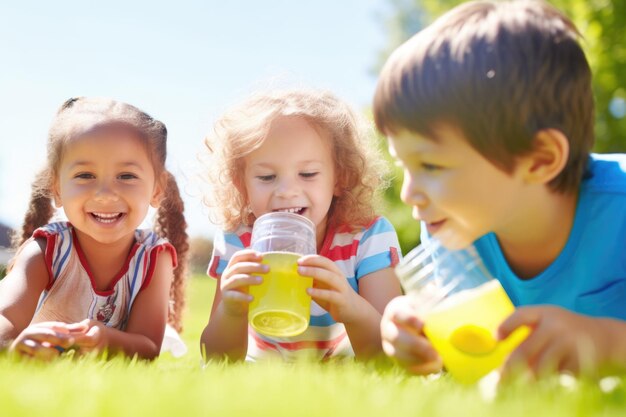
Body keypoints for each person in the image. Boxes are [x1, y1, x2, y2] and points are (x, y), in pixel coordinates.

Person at [373, 0, 626, 379]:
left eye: (430, 165)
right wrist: (420, 338)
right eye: (404, 165)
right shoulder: (454, 231)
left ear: (540, 159)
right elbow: (481, 351)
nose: (408, 193)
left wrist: (606, 341)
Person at [200, 88, 403, 362]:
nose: (286, 190)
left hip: (346, 371)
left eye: (307, 174)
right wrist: (231, 311)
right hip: (264, 372)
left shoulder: (367, 236)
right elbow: (216, 360)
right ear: (241, 184)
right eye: (267, 176)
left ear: (340, 177)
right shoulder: (239, 241)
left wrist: (351, 308)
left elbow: (394, 352)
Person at [0, 97, 189, 360]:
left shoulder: (153, 258)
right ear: (57, 188)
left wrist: (106, 340)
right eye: (85, 175)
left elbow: (147, 347)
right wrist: (13, 347)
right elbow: (4, 317)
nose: (105, 195)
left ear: (157, 189)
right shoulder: (45, 251)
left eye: (126, 176)